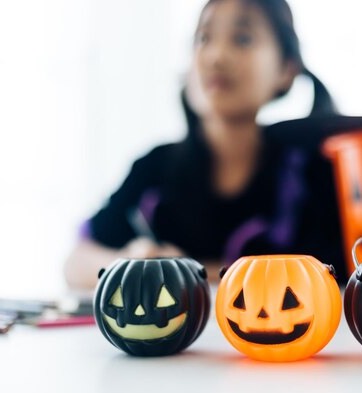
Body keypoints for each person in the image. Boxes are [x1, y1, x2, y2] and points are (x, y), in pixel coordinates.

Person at [64, 0, 344, 290]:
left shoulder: (311, 172)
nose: (215, 56)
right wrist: (129, 264)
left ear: (286, 69)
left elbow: (335, 276)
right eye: (203, 38)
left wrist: (188, 273)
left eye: (242, 38)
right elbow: (75, 262)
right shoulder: (155, 167)